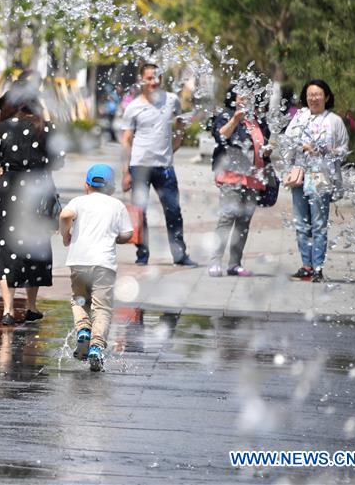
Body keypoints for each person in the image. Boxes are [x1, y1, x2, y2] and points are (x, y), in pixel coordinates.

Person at [0, 97, 64, 326]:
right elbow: (58, 162)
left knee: (5, 248)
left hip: (9, 192)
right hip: (39, 191)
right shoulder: (48, 128)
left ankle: (8, 309)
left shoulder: (0, 129)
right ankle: (32, 307)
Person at [120, 61, 197, 267]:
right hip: (139, 166)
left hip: (164, 167)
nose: (154, 81)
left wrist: (177, 142)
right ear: (141, 80)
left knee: (173, 210)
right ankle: (142, 254)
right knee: (139, 212)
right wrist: (126, 171)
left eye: (157, 77)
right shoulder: (134, 107)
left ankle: (180, 255)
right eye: (149, 78)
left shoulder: (171, 100)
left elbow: (181, 122)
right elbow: (126, 139)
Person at [59, 164, 133, 371]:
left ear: (86, 184)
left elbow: (65, 216)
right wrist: (116, 237)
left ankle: (83, 330)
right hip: (104, 265)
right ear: (112, 188)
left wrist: (66, 236)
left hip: (78, 262)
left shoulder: (78, 202)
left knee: (79, 300)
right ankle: (96, 347)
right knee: (102, 308)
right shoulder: (117, 205)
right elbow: (128, 234)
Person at [282, 79, 348, 282]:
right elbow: (286, 143)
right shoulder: (299, 118)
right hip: (300, 174)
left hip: (321, 177)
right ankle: (306, 265)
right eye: (310, 95)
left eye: (318, 94)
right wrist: (302, 147)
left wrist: (327, 150)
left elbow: (344, 150)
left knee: (318, 224)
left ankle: (318, 266)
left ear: (326, 97)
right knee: (301, 223)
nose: (313, 98)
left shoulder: (334, 121)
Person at [208, 85, 272, 278]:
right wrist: (236, 119)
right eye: (241, 94)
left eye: (250, 94)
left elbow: (264, 143)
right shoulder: (226, 115)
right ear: (234, 97)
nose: (246, 98)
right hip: (231, 177)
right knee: (227, 218)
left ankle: (235, 264)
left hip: (253, 178)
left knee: (244, 223)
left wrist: (268, 150)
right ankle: (215, 262)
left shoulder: (258, 119)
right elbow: (221, 136)